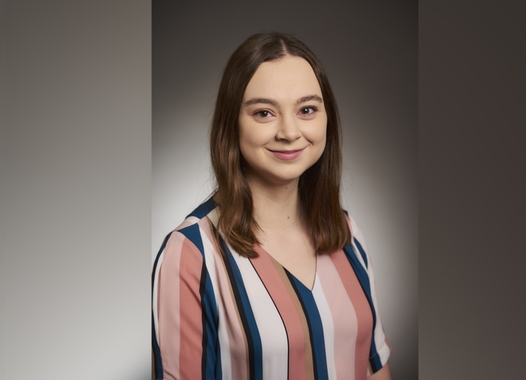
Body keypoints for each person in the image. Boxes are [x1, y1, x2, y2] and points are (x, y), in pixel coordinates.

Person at [151, 32, 392, 380]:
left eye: (307, 109)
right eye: (264, 113)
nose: (289, 131)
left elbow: (375, 367)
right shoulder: (190, 253)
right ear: (232, 123)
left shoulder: (347, 233)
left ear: (328, 119)